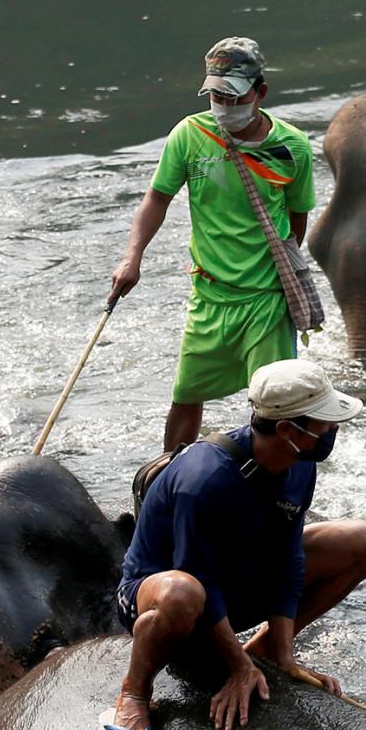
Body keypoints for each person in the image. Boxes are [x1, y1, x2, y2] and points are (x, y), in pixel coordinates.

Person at [102, 359, 366, 730]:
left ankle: (265, 651)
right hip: (164, 592)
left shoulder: (298, 463)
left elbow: (288, 557)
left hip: (237, 573)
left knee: (361, 541)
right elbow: (196, 571)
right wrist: (237, 665)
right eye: (324, 423)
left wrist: (284, 652)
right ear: (289, 430)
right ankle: (134, 691)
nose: (332, 431)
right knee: (184, 592)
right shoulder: (204, 479)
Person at [108, 38, 318, 454]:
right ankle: (166, 478)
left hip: (266, 300)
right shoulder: (190, 135)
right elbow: (157, 198)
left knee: (273, 405)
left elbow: (296, 221)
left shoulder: (291, 147)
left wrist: (279, 273)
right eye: (216, 95)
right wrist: (132, 258)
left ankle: (268, 490)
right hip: (210, 296)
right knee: (186, 396)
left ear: (260, 93)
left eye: (234, 96)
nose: (223, 105)